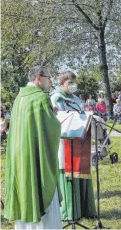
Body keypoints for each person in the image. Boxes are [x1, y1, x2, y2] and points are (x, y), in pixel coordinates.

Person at [4, 66, 62, 229]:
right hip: (35, 156)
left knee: (23, 188)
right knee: (39, 188)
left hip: (19, 157)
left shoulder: (19, 98)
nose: (50, 82)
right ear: (38, 77)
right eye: (49, 78)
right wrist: (55, 117)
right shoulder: (40, 99)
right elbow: (52, 129)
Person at [50, 71, 97, 221]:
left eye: (74, 82)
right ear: (62, 83)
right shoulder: (55, 97)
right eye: (70, 83)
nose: (73, 86)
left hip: (79, 141)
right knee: (67, 170)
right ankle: (69, 211)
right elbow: (57, 118)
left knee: (81, 169)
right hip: (64, 142)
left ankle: (84, 208)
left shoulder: (76, 98)